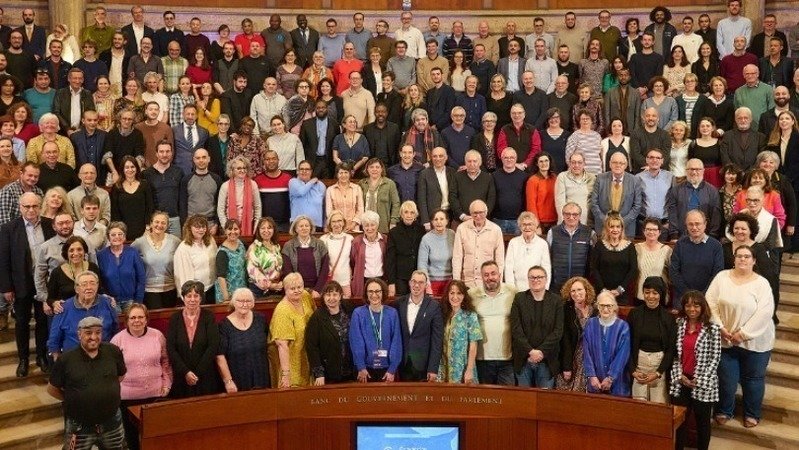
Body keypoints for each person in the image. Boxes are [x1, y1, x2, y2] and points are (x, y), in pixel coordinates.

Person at [707, 245, 774, 428]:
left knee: (753, 380)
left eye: (747, 256)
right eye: (739, 256)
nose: (742, 259)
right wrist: (720, 327)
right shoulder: (721, 277)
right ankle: (725, 410)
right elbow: (710, 303)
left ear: (754, 260)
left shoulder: (762, 284)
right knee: (727, 380)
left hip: (755, 342)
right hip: (725, 338)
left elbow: (765, 313)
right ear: (734, 259)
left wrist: (743, 334)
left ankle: (752, 413)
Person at [47, 316, 127, 450]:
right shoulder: (66, 359)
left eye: (98, 332)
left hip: (112, 423)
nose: (93, 337)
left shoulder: (113, 351)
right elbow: (52, 389)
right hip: (79, 426)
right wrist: (73, 399)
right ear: (79, 334)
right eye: (88, 333)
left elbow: (121, 375)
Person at [111, 303, 171, 450]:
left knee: (155, 437)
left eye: (140, 317)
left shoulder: (157, 335)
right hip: (128, 397)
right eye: (133, 318)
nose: (136, 320)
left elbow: (166, 362)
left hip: (155, 394)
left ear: (146, 319)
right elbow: (112, 370)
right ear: (127, 320)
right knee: (132, 439)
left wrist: (167, 384)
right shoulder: (117, 340)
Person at [668, 291, 722, 450]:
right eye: (688, 305)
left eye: (696, 305)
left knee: (702, 424)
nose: (692, 309)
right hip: (681, 380)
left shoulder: (712, 329)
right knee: (680, 422)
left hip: (702, 382)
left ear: (702, 307)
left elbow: (715, 358)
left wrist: (700, 379)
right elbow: (675, 355)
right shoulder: (678, 324)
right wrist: (680, 376)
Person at [510, 265, 563, 388]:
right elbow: (516, 329)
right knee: (524, 398)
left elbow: (558, 331)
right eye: (532, 277)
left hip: (547, 360)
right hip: (524, 359)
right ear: (528, 280)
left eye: (539, 277)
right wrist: (530, 351)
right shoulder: (519, 299)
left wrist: (541, 352)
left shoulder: (556, 301)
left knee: (545, 398)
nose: (536, 280)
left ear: (546, 279)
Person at [166, 280, 221, 398]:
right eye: (189, 296)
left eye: (196, 296)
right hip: (181, 375)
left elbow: (213, 346)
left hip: (205, 374)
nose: (192, 299)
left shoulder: (209, 316)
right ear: (183, 297)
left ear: (201, 298)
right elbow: (171, 348)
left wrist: (196, 373)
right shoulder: (175, 319)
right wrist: (186, 372)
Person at [627, 276, 677, 403]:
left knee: (658, 407)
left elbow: (671, 350)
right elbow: (627, 345)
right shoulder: (634, 314)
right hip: (639, 366)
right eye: (647, 292)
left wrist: (658, 372)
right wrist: (633, 371)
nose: (650, 296)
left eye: (655, 293)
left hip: (659, 367)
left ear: (661, 294)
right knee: (639, 407)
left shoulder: (669, 318)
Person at [47, 271, 117, 358]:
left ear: (97, 286)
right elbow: (54, 338)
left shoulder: (108, 303)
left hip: (103, 356)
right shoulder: (63, 308)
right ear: (76, 289)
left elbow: (116, 330)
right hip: (73, 358)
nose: (89, 287)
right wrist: (56, 358)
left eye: (92, 283)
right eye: (84, 284)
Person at [215, 288, 269, 393]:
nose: (244, 304)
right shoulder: (224, 325)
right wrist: (228, 381)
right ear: (233, 303)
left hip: (262, 376)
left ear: (253, 303)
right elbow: (220, 356)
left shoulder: (261, 319)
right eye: (240, 301)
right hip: (237, 379)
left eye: (248, 301)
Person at [349, 277, 402, 383]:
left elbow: (396, 342)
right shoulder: (358, 313)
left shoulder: (392, 313)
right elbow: (356, 342)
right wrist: (361, 367)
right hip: (365, 370)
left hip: (387, 370)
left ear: (383, 292)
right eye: (370, 291)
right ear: (366, 294)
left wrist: (392, 369)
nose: (374, 295)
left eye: (377, 291)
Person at [396, 270, 444, 381]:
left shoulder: (434, 306)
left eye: (421, 282)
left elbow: (437, 340)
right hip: (402, 362)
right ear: (409, 283)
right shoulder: (398, 303)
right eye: (414, 281)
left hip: (423, 364)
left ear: (426, 285)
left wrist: (433, 368)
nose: (416, 285)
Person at [269, 272, 315, 388]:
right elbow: (282, 345)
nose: (297, 291)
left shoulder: (305, 296)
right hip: (290, 360)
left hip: (307, 355)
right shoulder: (282, 311)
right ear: (285, 290)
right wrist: (286, 374)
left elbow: (315, 315)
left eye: (299, 287)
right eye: (292, 288)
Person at [670, 210, 725, 307]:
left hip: (708, 297)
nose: (694, 227)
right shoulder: (680, 244)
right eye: (690, 224)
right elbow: (674, 272)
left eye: (697, 224)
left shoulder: (716, 246)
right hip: (682, 297)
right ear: (686, 225)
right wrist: (688, 294)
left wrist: (701, 296)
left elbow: (717, 273)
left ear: (705, 224)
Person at [582, 291, 631, 397]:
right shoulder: (590, 324)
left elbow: (622, 356)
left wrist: (610, 378)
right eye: (602, 305)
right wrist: (591, 376)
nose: (605, 309)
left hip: (617, 384)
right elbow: (586, 352)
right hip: (595, 383)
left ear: (614, 307)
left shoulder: (623, 327)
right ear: (597, 306)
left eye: (609, 306)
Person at [305, 281, 355, 385]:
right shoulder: (317, 317)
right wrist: (319, 373)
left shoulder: (349, 310)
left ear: (340, 296)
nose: (331, 298)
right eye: (328, 295)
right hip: (329, 373)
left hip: (351, 370)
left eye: (335, 294)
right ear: (323, 297)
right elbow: (312, 347)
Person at [131, 211, 181, 309]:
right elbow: (129, 256)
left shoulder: (175, 241)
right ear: (151, 224)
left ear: (167, 226)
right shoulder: (139, 242)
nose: (159, 225)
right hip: (149, 291)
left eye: (163, 223)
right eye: (156, 222)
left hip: (170, 289)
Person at [589, 152, 644, 237]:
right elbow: (594, 203)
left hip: (626, 229)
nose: (618, 165)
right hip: (603, 227)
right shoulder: (600, 178)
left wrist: (621, 223)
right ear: (610, 164)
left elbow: (637, 206)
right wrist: (606, 221)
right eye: (614, 162)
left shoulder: (634, 180)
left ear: (626, 165)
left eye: (621, 163)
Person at [666, 159, 723, 240]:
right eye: (691, 169)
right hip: (681, 237)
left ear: (703, 171)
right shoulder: (676, 190)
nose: (694, 172)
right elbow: (672, 214)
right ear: (686, 171)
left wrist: (712, 236)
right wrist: (674, 235)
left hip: (706, 237)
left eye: (698, 169)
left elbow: (716, 216)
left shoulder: (712, 191)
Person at [437, 280, 481, 384]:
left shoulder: (470, 316)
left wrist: (469, 370)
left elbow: (473, 346)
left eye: (459, 293)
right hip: (443, 367)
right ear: (447, 295)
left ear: (464, 295)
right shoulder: (441, 314)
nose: (455, 297)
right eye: (452, 293)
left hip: (463, 367)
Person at [556, 276, 595, 392]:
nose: (576, 293)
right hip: (571, 357)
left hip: (589, 358)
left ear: (586, 290)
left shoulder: (596, 310)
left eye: (579, 289)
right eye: (573, 290)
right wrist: (566, 366)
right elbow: (565, 341)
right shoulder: (565, 310)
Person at [547, 202, 596, 294]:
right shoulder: (552, 232)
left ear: (580, 216)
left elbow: (593, 260)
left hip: (580, 285)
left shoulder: (589, 233)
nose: (571, 217)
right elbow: (547, 257)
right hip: (557, 284)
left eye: (575, 214)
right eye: (567, 214)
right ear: (563, 215)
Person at [590, 214, 638, 306]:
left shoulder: (630, 246)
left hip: (622, 294)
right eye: (612, 226)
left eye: (618, 226)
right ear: (607, 228)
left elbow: (633, 270)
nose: (615, 229)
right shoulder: (599, 245)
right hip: (602, 293)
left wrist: (620, 289)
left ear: (622, 228)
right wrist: (603, 290)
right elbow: (594, 269)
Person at [97, 222, 145, 311]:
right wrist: (105, 297)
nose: (117, 237)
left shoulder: (133, 252)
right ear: (108, 237)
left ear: (124, 236)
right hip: (111, 301)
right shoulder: (101, 255)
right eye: (113, 235)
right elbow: (99, 280)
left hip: (131, 300)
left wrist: (138, 301)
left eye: (120, 234)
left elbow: (141, 278)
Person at [281, 215, 329, 298]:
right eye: (301, 226)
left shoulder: (320, 244)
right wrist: (298, 289)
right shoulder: (288, 246)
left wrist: (317, 290)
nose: (304, 228)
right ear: (296, 229)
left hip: (316, 290)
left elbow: (325, 269)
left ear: (310, 228)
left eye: (307, 226)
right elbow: (287, 270)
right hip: (296, 290)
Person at [173, 215, 217, 304]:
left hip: (211, 287)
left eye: (203, 227)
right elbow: (182, 275)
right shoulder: (184, 248)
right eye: (197, 227)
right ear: (190, 228)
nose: (201, 230)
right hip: (195, 292)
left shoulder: (210, 241)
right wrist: (189, 296)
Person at [387, 201, 425, 298]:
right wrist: (391, 282)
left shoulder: (421, 230)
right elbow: (390, 259)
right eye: (406, 212)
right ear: (401, 214)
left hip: (418, 275)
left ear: (415, 215)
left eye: (412, 212)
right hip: (400, 277)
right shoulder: (393, 232)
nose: (409, 215)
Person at [504, 212, 551, 291]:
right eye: (524, 225)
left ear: (535, 226)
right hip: (517, 289)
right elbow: (508, 268)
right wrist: (511, 290)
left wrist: (544, 289)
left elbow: (546, 268)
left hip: (537, 288)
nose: (527, 227)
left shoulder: (542, 244)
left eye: (530, 224)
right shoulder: (513, 243)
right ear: (520, 227)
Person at [110, 156, 153, 240]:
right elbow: (115, 212)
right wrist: (119, 232)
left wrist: (148, 228)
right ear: (122, 169)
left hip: (144, 232)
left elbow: (150, 207)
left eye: (132, 167)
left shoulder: (145, 185)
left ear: (137, 168)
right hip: (123, 233)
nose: (130, 170)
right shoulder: (116, 187)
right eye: (127, 167)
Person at [217, 156, 261, 236]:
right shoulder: (225, 186)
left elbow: (257, 207)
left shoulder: (253, 184)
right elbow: (220, 209)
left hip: (249, 227)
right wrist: (226, 229)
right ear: (232, 170)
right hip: (230, 229)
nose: (242, 170)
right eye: (239, 168)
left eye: (244, 168)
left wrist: (255, 228)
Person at [350, 210, 386, 299]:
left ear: (377, 225)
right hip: (363, 281)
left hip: (381, 279)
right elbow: (353, 261)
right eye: (366, 225)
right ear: (363, 227)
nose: (369, 228)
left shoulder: (385, 240)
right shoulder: (356, 242)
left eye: (372, 225)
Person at [359, 158, 400, 234]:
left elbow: (396, 204)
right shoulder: (362, 183)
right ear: (367, 169)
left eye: (377, 167)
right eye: (371, 167)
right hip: (365, 224)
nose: (374, 169)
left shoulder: (389, 184)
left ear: (382, 169)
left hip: (383, 224)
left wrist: (393, 221)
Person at [319, 212, 354, 299]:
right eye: (333, 221)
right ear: (330, 224)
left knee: (345, 303)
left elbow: (353, 260)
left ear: (343, 222)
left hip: (345, 280)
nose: (337, 224)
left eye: (339, 221)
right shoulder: (323, 239)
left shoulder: (350, 238)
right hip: (329, 280)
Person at [245, 217, 283, 297]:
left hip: (276, 288)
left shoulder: (276, 246)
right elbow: (253, 271)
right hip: (259, 290)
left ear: (273, 230)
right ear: (258, 230)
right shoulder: (254, 248)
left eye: (269, 228)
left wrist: (279, 283)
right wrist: (270, 285)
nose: (266, 231)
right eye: (263, 228)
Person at [214, 219, 247, 304]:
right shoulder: (222, 252)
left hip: (241, 291)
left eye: (235, 229)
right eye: (229, 229)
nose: (233, 232)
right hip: (228, 294)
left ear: (240, 230)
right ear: (225, 231)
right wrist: (226, 298)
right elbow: (221, 277)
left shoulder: (242, 244)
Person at [565, 110, 603, 174]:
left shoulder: (597, 136)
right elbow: (568, 157)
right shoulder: (575, 136)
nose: (585, 121)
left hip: (597, 173)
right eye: (583, 119)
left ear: (591, 121)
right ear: (579, 121)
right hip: (581, 175)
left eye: (587, 119)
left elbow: (601, 155)